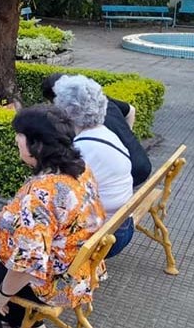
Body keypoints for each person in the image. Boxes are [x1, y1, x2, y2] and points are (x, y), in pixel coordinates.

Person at [0, 105, 105, 328]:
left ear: (38, 145)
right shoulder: (80, 169)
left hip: (53, 282)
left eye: (20, 136)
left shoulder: (41, 193)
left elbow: (29, 263)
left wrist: (2, 294)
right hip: (75, 271)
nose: (15, 139)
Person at [53, 75, 135, 258]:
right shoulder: (106, 133)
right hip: (123, 224)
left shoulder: (83, 148)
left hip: (106, 236)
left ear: (66, 112)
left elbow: (59, 198)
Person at [42, 73, 150, 187]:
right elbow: (131, 110)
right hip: (141, 162)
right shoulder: (98, 101)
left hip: (130, 174)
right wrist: (127, 135)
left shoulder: (80, 125)